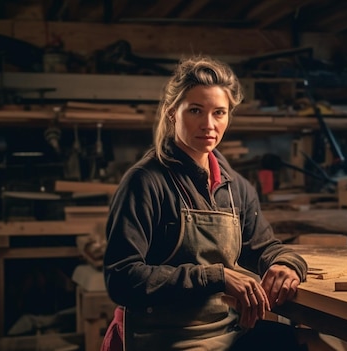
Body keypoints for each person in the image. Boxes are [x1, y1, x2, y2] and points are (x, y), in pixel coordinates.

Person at [101, 55, 309, 351]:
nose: (209, 124)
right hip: (167, 338)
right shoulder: (146, 181)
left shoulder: (235, 187)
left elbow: (263, 247)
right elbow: (121, 278)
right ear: (173, 113)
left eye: (219, 113)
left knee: (288, 342)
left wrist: (287, 264)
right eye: (196, 111)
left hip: (226, 331)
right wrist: (217, 277)